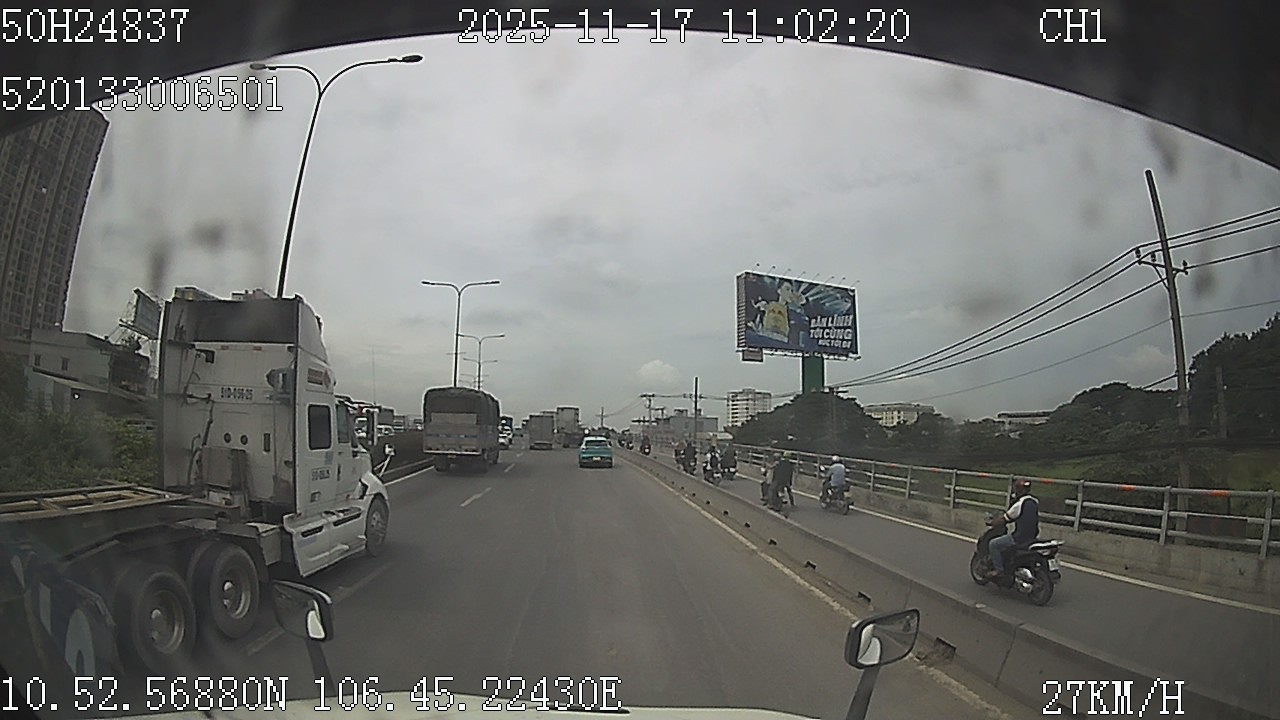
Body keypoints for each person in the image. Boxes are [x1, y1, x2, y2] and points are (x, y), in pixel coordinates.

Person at [988, 479, 1039, 578]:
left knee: (993, 544)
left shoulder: (1019, 504)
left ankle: (999, 570)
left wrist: (993, 522)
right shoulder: (1035, 501)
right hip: (1032, 537)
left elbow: (1005, 518)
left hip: (1019, 538)